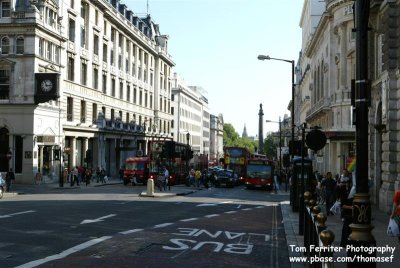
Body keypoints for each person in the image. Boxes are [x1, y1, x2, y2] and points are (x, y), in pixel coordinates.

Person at [337, 176, 353, 247]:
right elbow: (342, 205)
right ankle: (344, 243)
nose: (347, 184)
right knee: (346, 228)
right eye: (346, 183)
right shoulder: (343, 191)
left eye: (348, 183)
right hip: (346, 213)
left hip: (351, 213)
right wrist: (351, 207)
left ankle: (349, 243)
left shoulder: (351, 191)